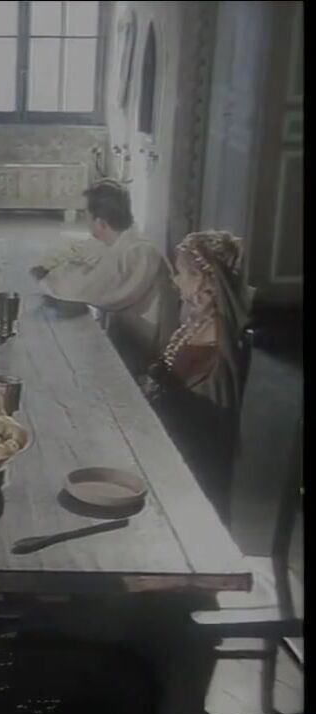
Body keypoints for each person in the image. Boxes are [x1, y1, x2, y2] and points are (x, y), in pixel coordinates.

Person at [140, 230, 249, 523]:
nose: (176, 280)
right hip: (177, 425)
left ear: (203, 279)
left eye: (181, 273)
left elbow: (198, 411)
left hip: (192, 447)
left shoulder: (214, 337)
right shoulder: (200, 320)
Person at [31, 179, 178, 375]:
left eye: (86, 215)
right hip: (126, 338)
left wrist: (49, 275)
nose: (85, 221)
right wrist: (52, 267)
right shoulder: (114, 241)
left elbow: (82, 287)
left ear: (101, 222)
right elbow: (69, 253)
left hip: (145, 354)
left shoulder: (139, 252)